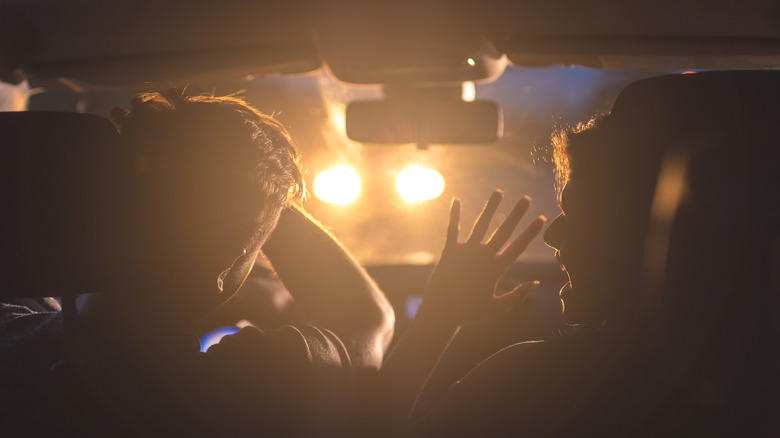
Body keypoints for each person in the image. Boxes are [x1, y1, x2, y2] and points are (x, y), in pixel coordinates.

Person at [372, 70, 778, 437]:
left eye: (578, 212)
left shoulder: (536, 383)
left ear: (647, 231)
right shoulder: (754, 384)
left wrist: (437, 318)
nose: (552, 235)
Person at [54, 89, 394, 436]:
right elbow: (367, 318)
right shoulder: (235, 387)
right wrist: (265, 194)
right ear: (224, 267)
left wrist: (158, 159)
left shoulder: (12, 330)